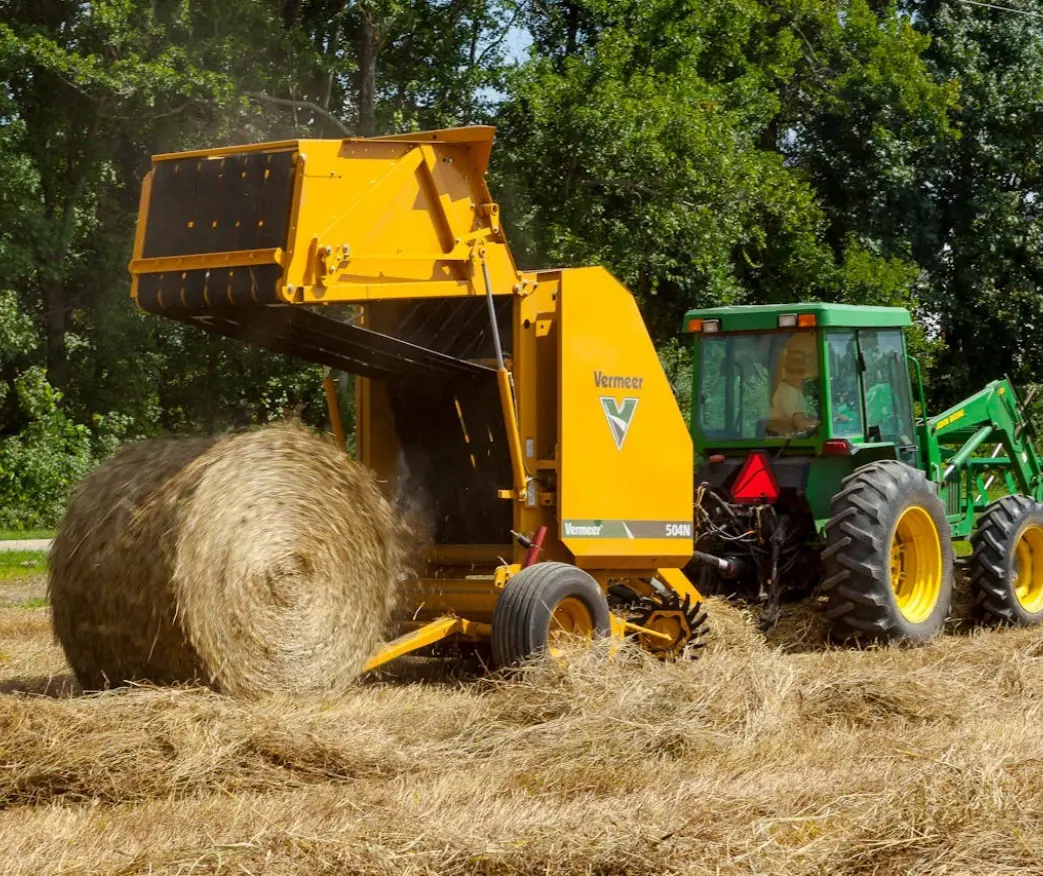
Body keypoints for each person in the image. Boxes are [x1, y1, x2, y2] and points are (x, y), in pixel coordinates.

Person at [769, 348, 813, 435]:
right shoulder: (790, 392)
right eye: (793, 372)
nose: (799, 377)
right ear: (784, 371)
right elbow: (799, 424)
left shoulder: (776, 389)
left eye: (801, 372)